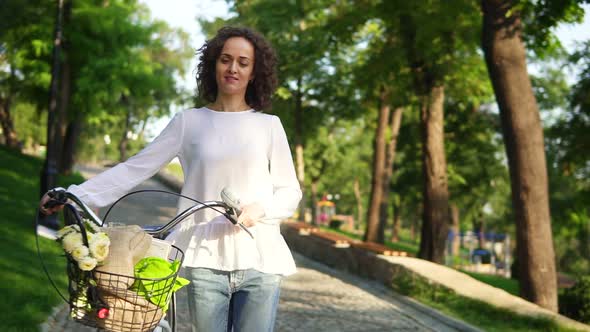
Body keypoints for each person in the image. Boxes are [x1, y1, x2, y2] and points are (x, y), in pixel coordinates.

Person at [40, 26, 302, 332]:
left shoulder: (269, 126)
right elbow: (135, 168)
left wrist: (261, 208)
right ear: (213, 65)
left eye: (243, 63)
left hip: (261, 257)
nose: (233, 68)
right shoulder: (188, 122)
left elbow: (290, 191)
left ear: (255, 72)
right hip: (206, 258)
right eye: (225, 59)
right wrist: (73, 194)